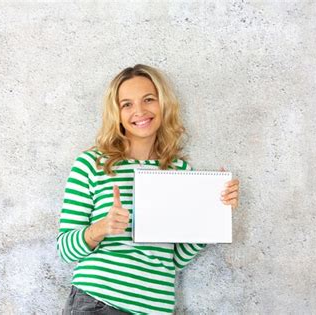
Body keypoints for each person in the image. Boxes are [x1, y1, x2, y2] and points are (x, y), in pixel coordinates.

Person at [57, 64, 240, 314]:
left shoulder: (179, 170)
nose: (140, 111)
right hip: (99, 304)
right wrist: (101, 228)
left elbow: (173, 258)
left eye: (148, 99)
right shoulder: (91, 164)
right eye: (127, 104)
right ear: (117, 113)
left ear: (163, 103)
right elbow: (65, 250)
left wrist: (215, 211)